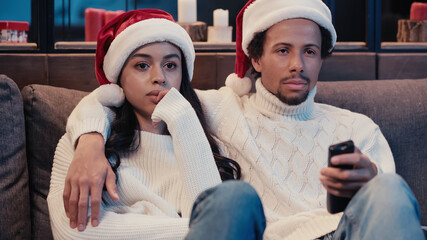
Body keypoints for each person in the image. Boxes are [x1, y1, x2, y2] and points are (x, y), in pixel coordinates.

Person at [64, 0, 425, 239]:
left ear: (321, 58)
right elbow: (122, 96)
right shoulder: (222, 108)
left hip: (340, 233)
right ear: (254, 58)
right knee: (233, 197)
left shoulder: (359, 127)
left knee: (388, 188)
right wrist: (89, 142)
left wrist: (371, 181)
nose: (298, 64)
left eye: (310, 52)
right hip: (260, 233)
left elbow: (388, 215)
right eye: (283, 50)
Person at [47, 9, 266, 239]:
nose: (159, 77)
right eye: (142, 65)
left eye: (170, 65)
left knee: (239, 198)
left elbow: (213, 219)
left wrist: (182, 119)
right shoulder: (86, 145)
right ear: (119, 74)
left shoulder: (207, 144)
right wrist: (201, 227)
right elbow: (73, 232)